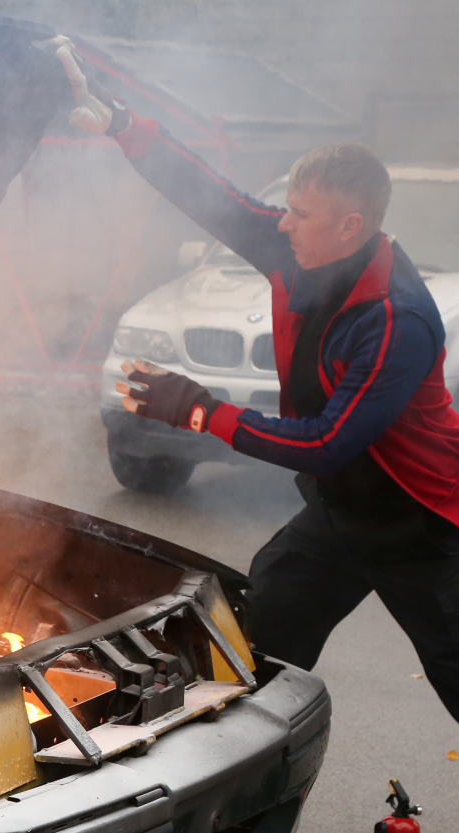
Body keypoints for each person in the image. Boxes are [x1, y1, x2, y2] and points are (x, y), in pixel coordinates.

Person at [50, 38, 459, 722]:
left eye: (301, 213)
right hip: (341, 516)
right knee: (249, 645)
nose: (283, 222)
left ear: (349, 227)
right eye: (288, 206)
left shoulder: (398, 320)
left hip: (422, 524)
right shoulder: (293, 245)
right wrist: (122, 124)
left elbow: (326, 443)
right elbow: (212, 197)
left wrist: (204, 411)